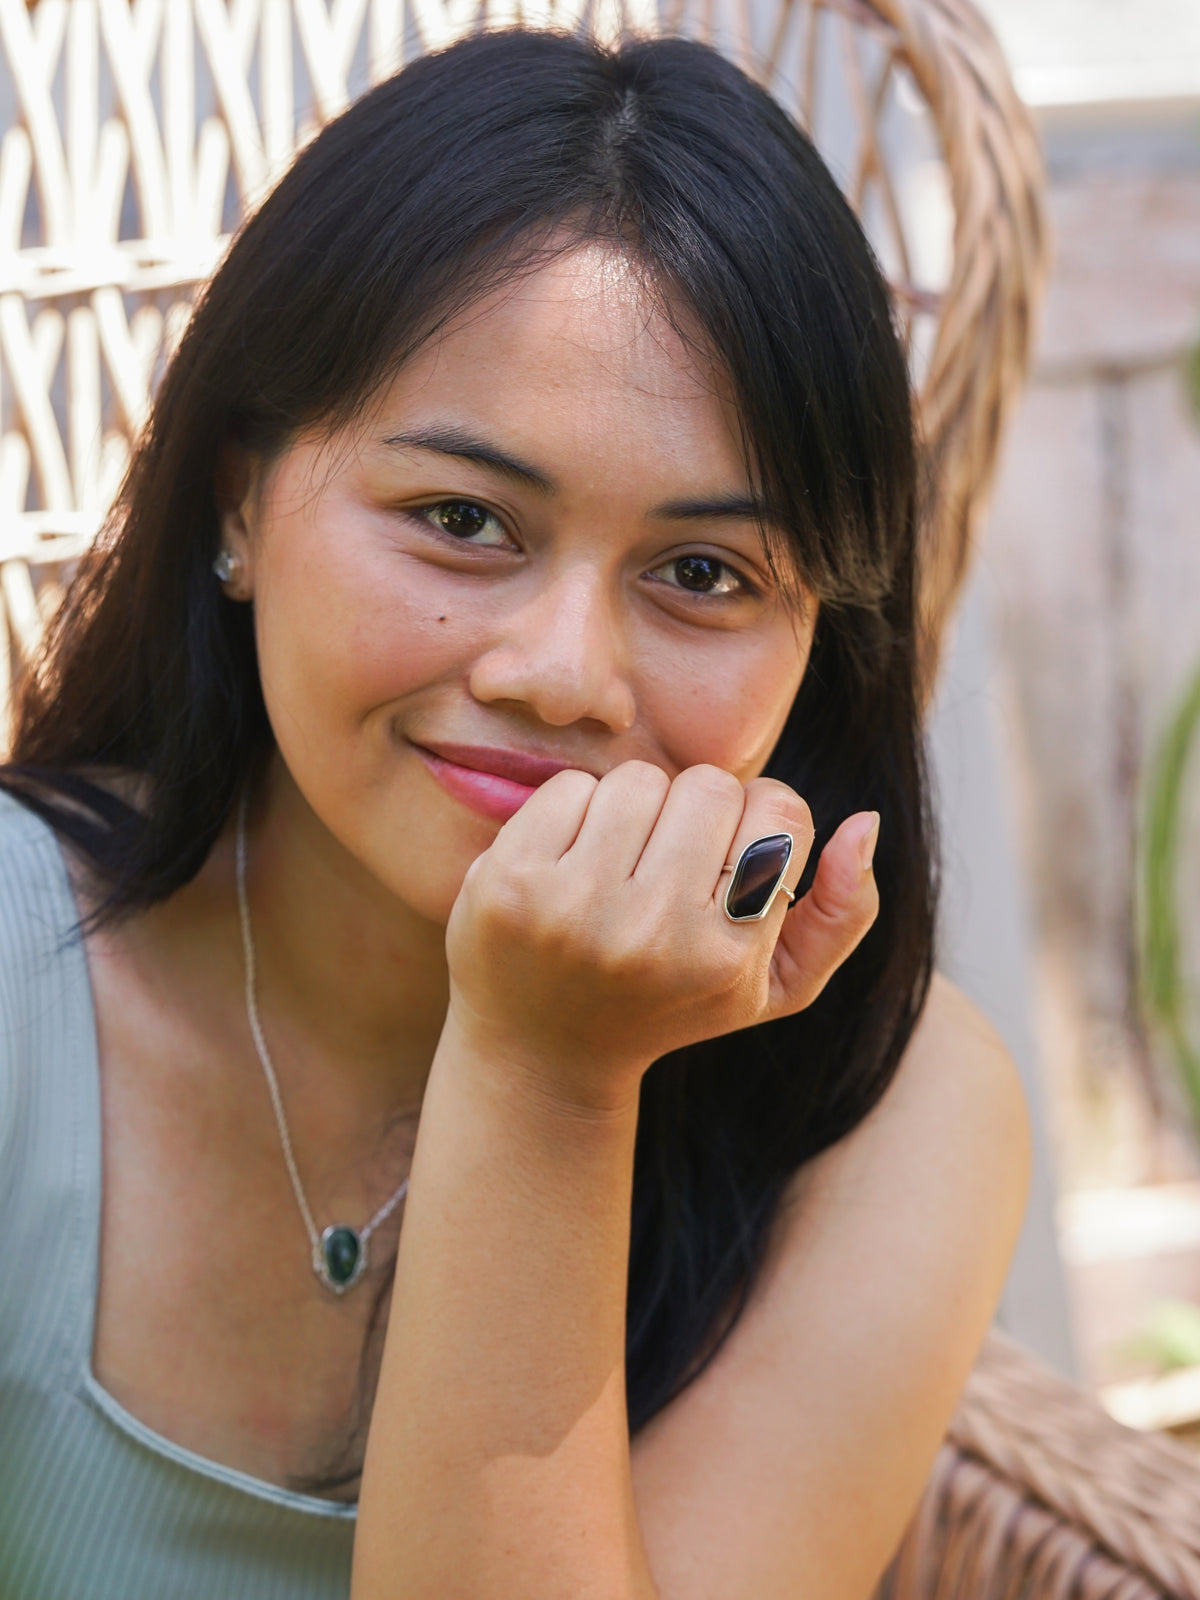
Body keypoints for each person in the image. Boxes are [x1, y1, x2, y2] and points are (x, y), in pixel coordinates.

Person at [0, 27, 1030, 1600]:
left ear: (822, 634)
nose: (561, 677)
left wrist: (548, 1077)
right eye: (462, 520)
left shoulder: (887, 1107)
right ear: (236, 505)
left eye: (703, 574)